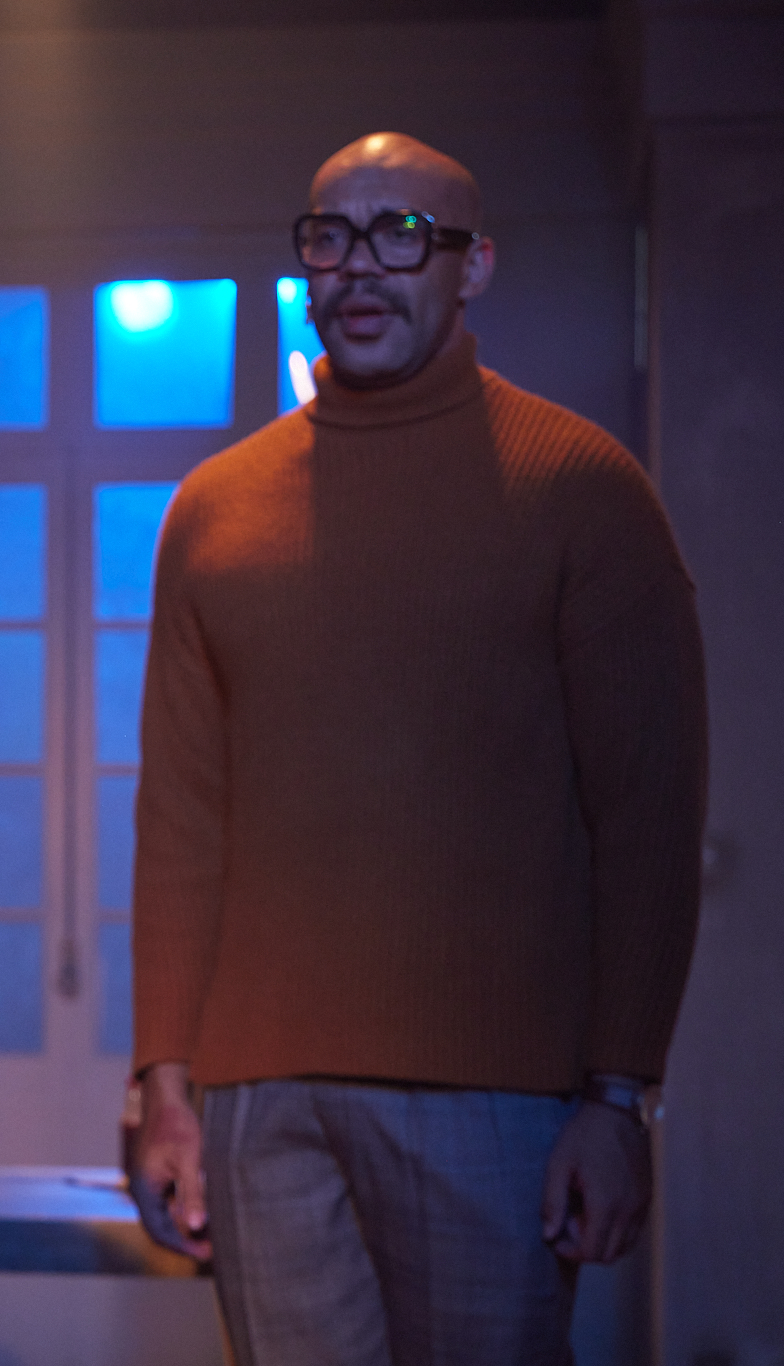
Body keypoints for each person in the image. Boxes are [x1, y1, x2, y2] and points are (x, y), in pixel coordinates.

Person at [127, 132, 706, 1364]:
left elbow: (648, 815)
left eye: (398, 235)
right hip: (257, 1093)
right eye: (328, 236)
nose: (357, 267)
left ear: (471, 264)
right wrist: (160, 1080)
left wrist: (618, 1091)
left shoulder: (580, 489)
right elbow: (179, 816)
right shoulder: (214, 510)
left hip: (498, 1091)